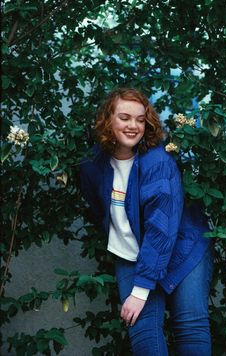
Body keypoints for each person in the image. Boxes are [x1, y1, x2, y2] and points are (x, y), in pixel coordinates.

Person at [79, 88, 213, 356]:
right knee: (142, 334)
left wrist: (140, 292)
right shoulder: (92, 165)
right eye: (125, 117)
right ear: (108, 120)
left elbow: (161, 230)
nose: (133, 126)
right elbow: (98, 209)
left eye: (140, 120)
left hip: (182, 249)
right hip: (132, 254)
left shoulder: (157, 162)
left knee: (189, 325)